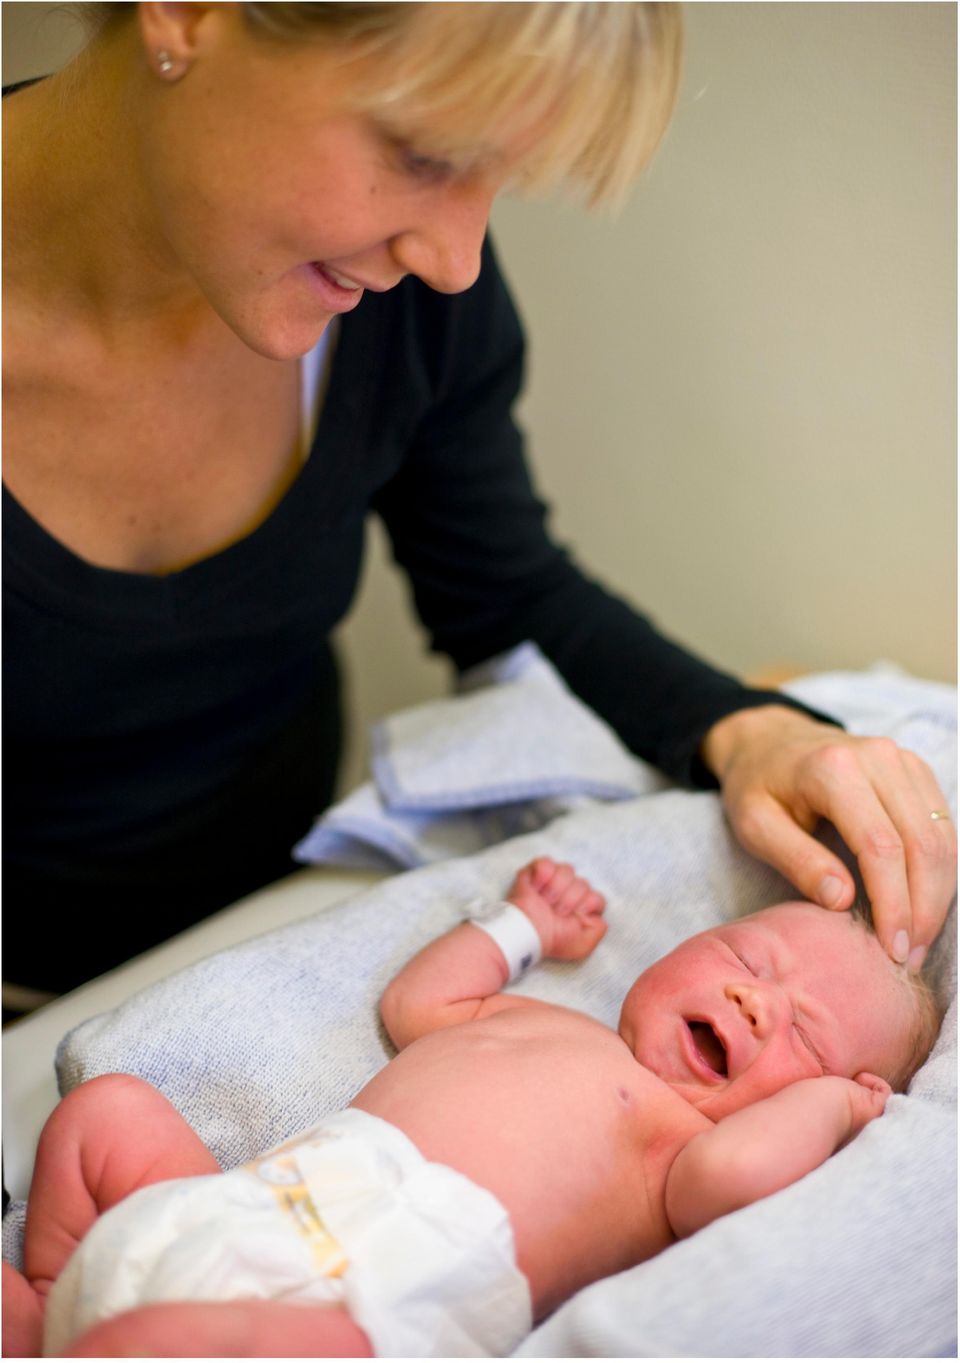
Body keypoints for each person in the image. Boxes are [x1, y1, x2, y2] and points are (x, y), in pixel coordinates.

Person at [3, 3, 954, 1004]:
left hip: (275, 943)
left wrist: (752, 730)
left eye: (497, 179)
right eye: (425, 154)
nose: (455, 261)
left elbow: (506, 597)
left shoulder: (398, 302)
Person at [3, 855, 940, 1358]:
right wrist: (520, 927)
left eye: (806, 1040)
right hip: (241, 1208)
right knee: (110, 1108)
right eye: (745, 959)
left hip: (372, 1314)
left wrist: (837, 1111)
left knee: (155, 1344)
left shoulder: (684, 1149)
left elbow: (739, 1175)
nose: (754, 1001)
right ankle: (56, 1297)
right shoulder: (552, 1023)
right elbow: (419, 1006)